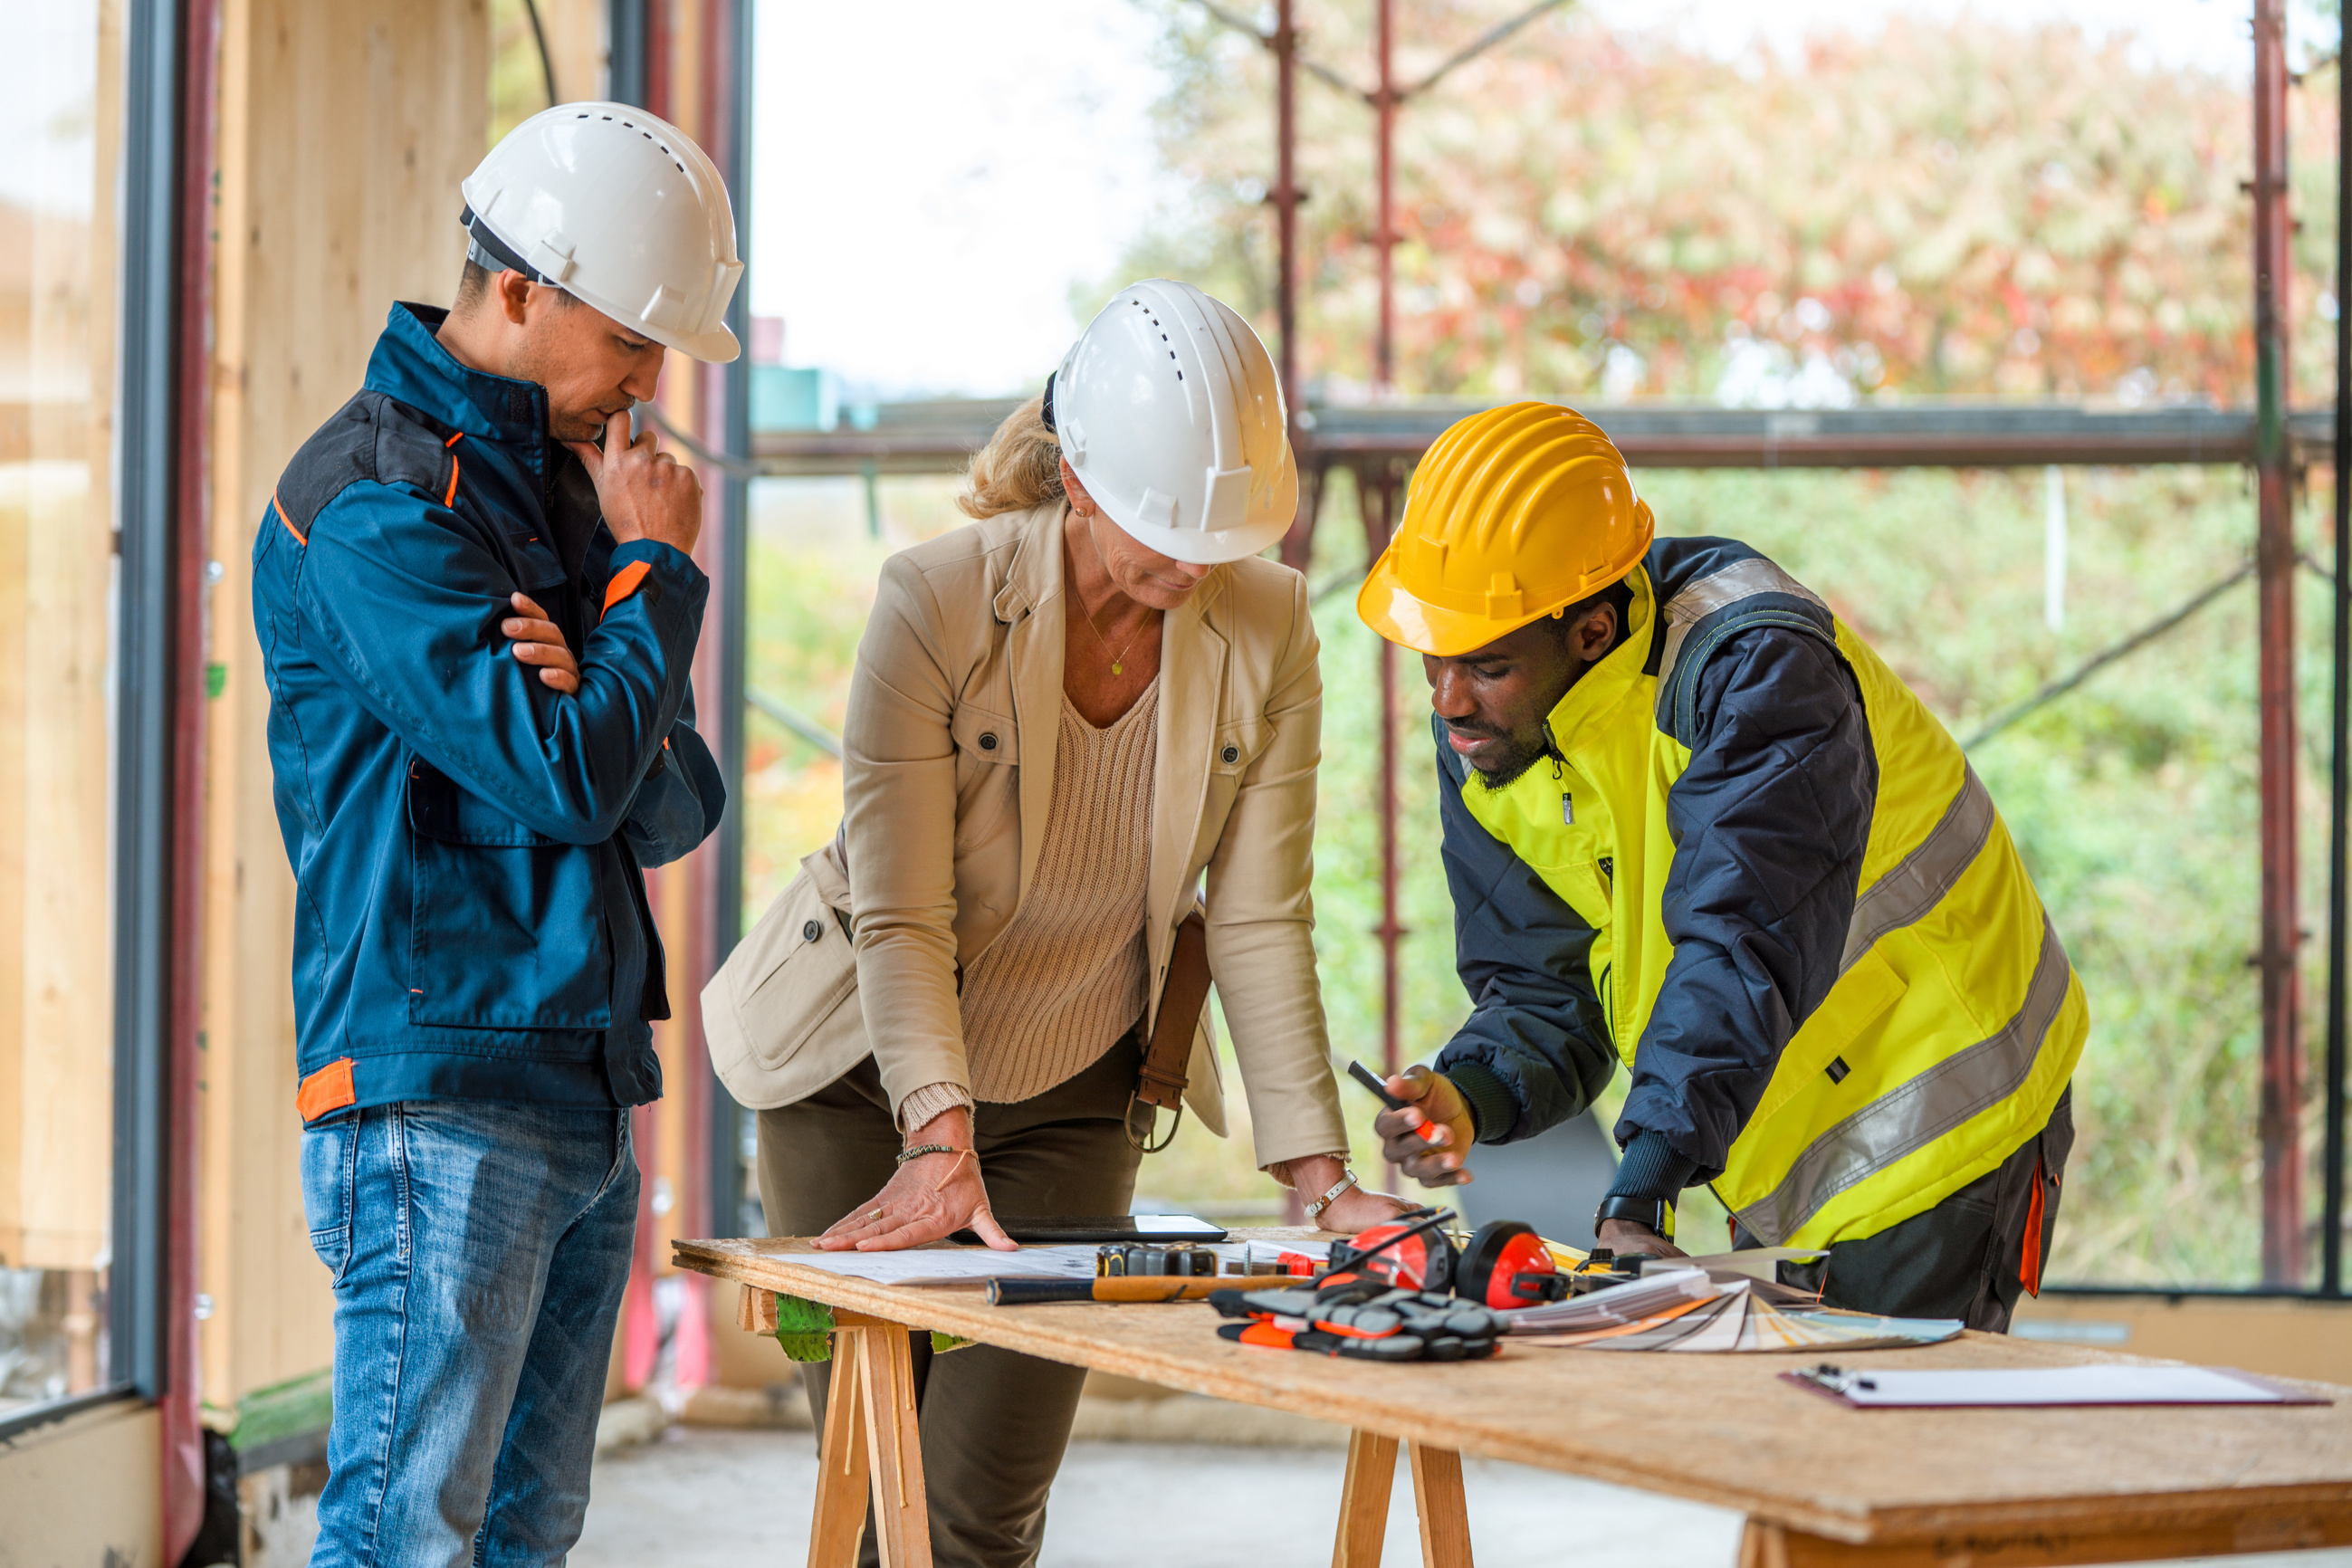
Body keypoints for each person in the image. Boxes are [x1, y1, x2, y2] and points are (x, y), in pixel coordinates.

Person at [705, 279, 1412, 1566]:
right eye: (1159, 530)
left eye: (1221, 537)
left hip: (1078, 1084)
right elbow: (902, 909)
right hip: (856, 1078)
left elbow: (1256, 918)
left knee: (980, 1508)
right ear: (1077, 480)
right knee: (875, 1487)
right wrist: (935, 1137)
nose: (1190, 568)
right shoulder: (934, 600)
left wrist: (1319, 1180)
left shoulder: (1266, 628)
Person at [253, 102, 737, 1564]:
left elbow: (671, 798)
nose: (650, 388)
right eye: (634, 344)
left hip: (576, 1075)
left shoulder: (547, 493)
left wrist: (605, 664)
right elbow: (578, 775)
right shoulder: (377, 504)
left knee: (532, 1533)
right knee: (411, 1534)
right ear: (520, 288)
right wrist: (648, 582)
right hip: (436, 1083)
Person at [1362, 402, 2084, 1332]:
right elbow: (1547, 986)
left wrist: (1646, 1183)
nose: (1448, 699)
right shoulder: (1496, 733)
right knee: (1791, 1449)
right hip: (1772, 1128)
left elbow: (1740, 939)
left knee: (1879, 1457)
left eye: (1487, 665)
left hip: (1952, 1103)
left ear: (1590, 629)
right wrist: (1472, 1092)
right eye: (1433, 659)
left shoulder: (1756, 667)